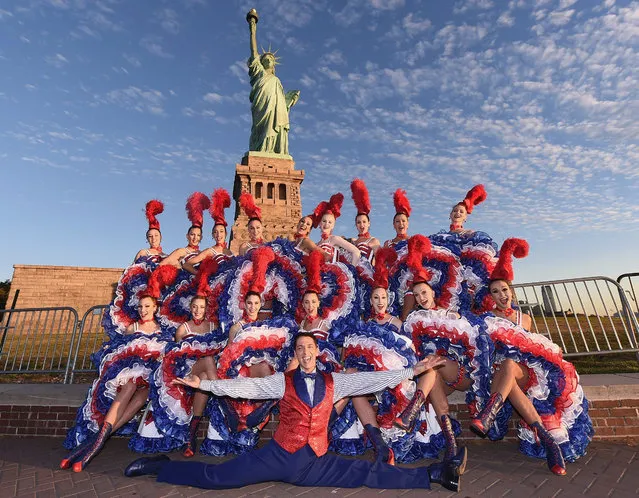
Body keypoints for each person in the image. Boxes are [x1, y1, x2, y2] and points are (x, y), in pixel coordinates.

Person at [123, 333, 462, 492]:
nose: (305, 352)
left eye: (310, 347)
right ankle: (163, 468)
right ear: (297, 354)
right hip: (278, 456)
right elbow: (244, 388)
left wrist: (413, 370)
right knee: (218, 478)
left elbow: (373, 379)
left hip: (316, 461)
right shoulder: (281, 382)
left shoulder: (335, 381)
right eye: (300, 348)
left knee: (365, 475)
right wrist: (205, 384)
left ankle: (432, 475)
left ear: (317, 351)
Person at [471, 238, 593, 475]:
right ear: (491, 297)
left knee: (510, 364)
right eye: (495, 292)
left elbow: (536, 347)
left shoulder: (524, 319)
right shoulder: (486, 318)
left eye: (504, 290)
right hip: (499, 375)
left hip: (526, 371)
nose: (501, 295)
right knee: (507, 371)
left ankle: (489, 413)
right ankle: (549, 443)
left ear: (511, 291)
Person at [61, 294, 167, 472]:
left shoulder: (162, 330)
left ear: (155, 308)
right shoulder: (132, 328)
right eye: (140, 307)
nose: (143, 310)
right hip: (131, 372)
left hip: (150, 375)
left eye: (147, 306)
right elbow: (120, 352)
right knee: (130, 385)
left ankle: (94, 443)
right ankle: (93, 448)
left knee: (142, 397)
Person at [393, 236, 471, 472]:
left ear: (433, 292)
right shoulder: (414, 319)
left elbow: (470, 347)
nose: (421, 298)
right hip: (434, 376)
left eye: (424, 293)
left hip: (458, 372)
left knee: (433, 364)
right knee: (429, 366)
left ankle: (412, 410)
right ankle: (451, 447)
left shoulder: (451, 315)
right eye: (416, 296)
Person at [246, 9, 300, 155]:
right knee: (262, 128)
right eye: (265, 58)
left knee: (276, 125)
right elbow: (254, 51)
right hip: (262, 106)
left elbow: (281, 105)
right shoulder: (259, 73)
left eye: (271, 58)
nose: (268, 59)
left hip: (275, 110)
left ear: (274, 64)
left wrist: (288, 101)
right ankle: (262, 149)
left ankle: (274, 150)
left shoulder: (276, 81)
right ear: (261, 62)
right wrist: (253, 29)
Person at [184, 189, 234, 274]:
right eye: (215, 232)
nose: (218, 234)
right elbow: (186, 265)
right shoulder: (209, 251)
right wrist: (201, 276)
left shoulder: (230, 252)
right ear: (212, 235)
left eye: (221, 231)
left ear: (226, 234)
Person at [160, 192, 210, 268]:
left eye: (198, 235)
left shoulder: (202, 253)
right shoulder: (181, 251)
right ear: (187, 236)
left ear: (201, 238)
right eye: (192, 234)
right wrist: (178, 268)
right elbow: (162, 264)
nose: (195, 238)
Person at [313, 193, 361, 265]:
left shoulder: (334, 239)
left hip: (333, 273)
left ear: (333, 225)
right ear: (320, 223)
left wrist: (352, 270)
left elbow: (356, 251)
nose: (326, 224)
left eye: (330, 222)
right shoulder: (316, 244)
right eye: (324, 221)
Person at [350, 179, 380, 263]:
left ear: (369, 223)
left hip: (366, 274)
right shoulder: (352, 241)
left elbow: (380, 262)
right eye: (358, 222)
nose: (361, 225)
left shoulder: (374, 241)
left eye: (364, 222)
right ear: (356, 225)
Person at [133, 199, 166, 264]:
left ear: (161, 237)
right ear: (147, 239)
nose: (153, 238)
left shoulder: (167, 256)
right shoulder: (143, 252)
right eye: (150, 236)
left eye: (156, 235)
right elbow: (132, 270)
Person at [237, 192, 266, 257]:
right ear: (248, 230)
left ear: (262, 228)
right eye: (252, 228)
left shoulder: (268, 245)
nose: (255, 231)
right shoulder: (244, 246)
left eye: (258, 227)